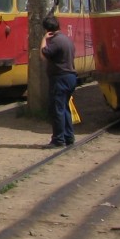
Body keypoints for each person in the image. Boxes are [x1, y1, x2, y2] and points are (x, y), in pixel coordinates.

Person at [40, 14, 77, 147]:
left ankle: (58, 139)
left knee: (57, 109)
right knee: (64, 108)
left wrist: (44, 40)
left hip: (60, 78)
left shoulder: (55, 41)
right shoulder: (66, 40)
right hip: (70, 77)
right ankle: (69, 136)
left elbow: (44, 54)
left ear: (47, 30)